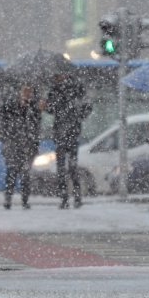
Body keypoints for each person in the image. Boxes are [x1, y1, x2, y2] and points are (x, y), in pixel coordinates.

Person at [45, 71, 90, 209]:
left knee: (71, 167)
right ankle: (65, 198)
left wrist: (77, 116)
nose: (57, 77)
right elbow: (50, 109)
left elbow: (87, 107)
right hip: (62, 132)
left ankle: (75, 197)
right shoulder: (55, 89)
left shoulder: (76, 88)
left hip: (71, 132)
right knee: (62, 168)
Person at [0, 83, 42, 209]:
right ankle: (8, 200)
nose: (27, 94)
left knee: (25, 175)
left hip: (28, 145)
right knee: (11, 173)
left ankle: (25, 200)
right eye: (25, 91)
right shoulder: (11, 105)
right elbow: (4, 117)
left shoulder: (34, 107)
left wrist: (33, 110)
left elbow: (36, 125)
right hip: (13, 144)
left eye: (29, 91)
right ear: (20, 92)